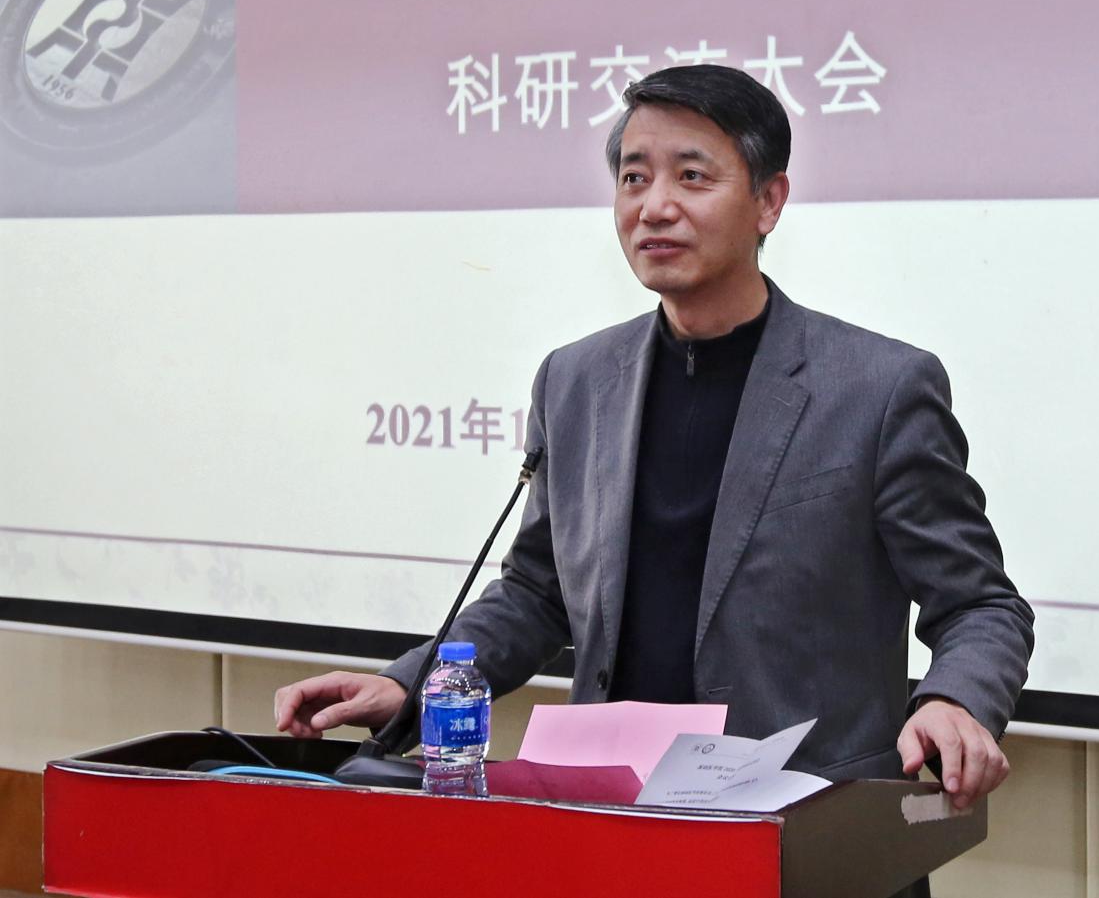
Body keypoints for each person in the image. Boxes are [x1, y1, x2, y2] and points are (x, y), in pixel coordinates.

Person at [276, 65, 1034, 815]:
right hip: (612, 817)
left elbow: (980, 603)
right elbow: (538, 592)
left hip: (806, 825)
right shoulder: (575, 380)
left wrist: (956, 700)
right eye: (634, 178)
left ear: (769, 201)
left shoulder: (877, 388)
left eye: (692, 177)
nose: (655, 207)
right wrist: (410, 684)